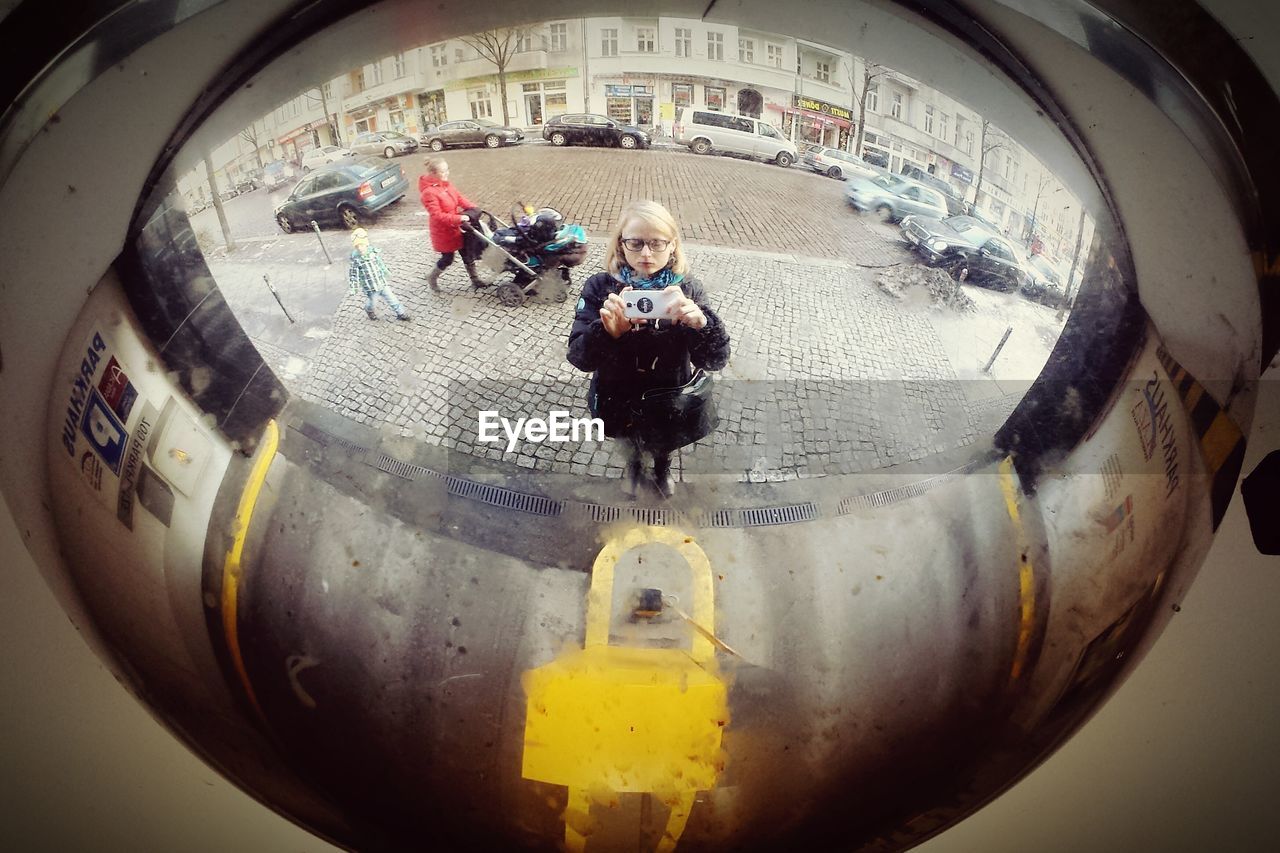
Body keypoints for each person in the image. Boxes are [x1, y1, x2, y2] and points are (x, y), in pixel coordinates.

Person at [567, 200, 730, 499]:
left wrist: (701, 324)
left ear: (672, 246)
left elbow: (714, 359)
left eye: (656, 243)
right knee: (628, 439)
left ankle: (662, 469)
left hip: (669, 395)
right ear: (620, 244)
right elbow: (579, 356)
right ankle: (633, 468)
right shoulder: (600, 287)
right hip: (618, 393)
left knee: (664, 440)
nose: (645, 254)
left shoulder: (688, 289)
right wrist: (608, 332)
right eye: (635, 242)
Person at [418, 157, 487, 291]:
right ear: (433, 173)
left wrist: (474, 208)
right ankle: (432, 277)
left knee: (467, 253)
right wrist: (459, 218)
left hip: (458, 228)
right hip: (444, 232)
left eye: (447, 170)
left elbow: (460, 199)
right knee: (448, 259)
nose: (447, 174)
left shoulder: (446, 185)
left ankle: (475, 280)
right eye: (443, 172)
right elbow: (437, 216)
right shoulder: (428, 193)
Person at [347, 227, 411, 321]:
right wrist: (354, 287)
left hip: (381, 282)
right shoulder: (356, 259)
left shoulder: (373, 253)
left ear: (366, 244)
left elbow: (380, 263)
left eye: (362, 245)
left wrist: (385, 271)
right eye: (357, 246)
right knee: (372, 302)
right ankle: (368, 309)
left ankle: (401, 313)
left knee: (392, 299)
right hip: (371, 287)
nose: (360, 248)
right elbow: (353, 274)